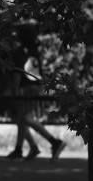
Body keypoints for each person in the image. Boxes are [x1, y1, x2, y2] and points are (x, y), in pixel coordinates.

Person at [8, 25, 66, 162]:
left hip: (26, 88)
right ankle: (22, 148)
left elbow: (17, 74)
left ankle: (54, 142)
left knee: (27, 119)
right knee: (23, 118)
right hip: (34, 86)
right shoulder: (34, 51)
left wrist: (16, 93)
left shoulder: (18, 52)